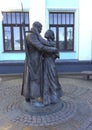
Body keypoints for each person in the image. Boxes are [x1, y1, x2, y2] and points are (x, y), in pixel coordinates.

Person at [21, 21, 58, 106]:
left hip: (36, 60)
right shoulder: (31, 36)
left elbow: (43, 42)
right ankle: (34, 100)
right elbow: (40, 47)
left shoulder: (35, 35)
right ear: (36, 27)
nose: (41, 31)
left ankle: (28, 96)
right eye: (40, 28)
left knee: (30, 79)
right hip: (33, 61)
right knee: (35, 80)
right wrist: (53, 50)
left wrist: (51, 44)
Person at [38, 29, 63, 106]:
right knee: (46, 80)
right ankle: (47, 98)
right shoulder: (45, 43)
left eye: (48, 33)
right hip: (46, 63)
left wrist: (50, 57)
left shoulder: (51, 43)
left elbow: (56, 54)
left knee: (51, 79)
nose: (46, 34)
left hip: (49, 63)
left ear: (51, 35)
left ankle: (53, 98)